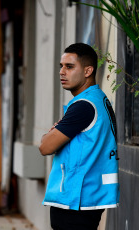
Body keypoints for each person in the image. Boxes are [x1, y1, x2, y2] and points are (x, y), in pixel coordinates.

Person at [39, 43, 120, 230]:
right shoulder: (99, 99)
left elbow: (45, 147)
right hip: (87, 197)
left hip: (76, 199)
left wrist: (49, 135)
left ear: (87, 71)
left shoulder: (84, 106)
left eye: (69, 66)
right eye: (61, 66)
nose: (62, 72)